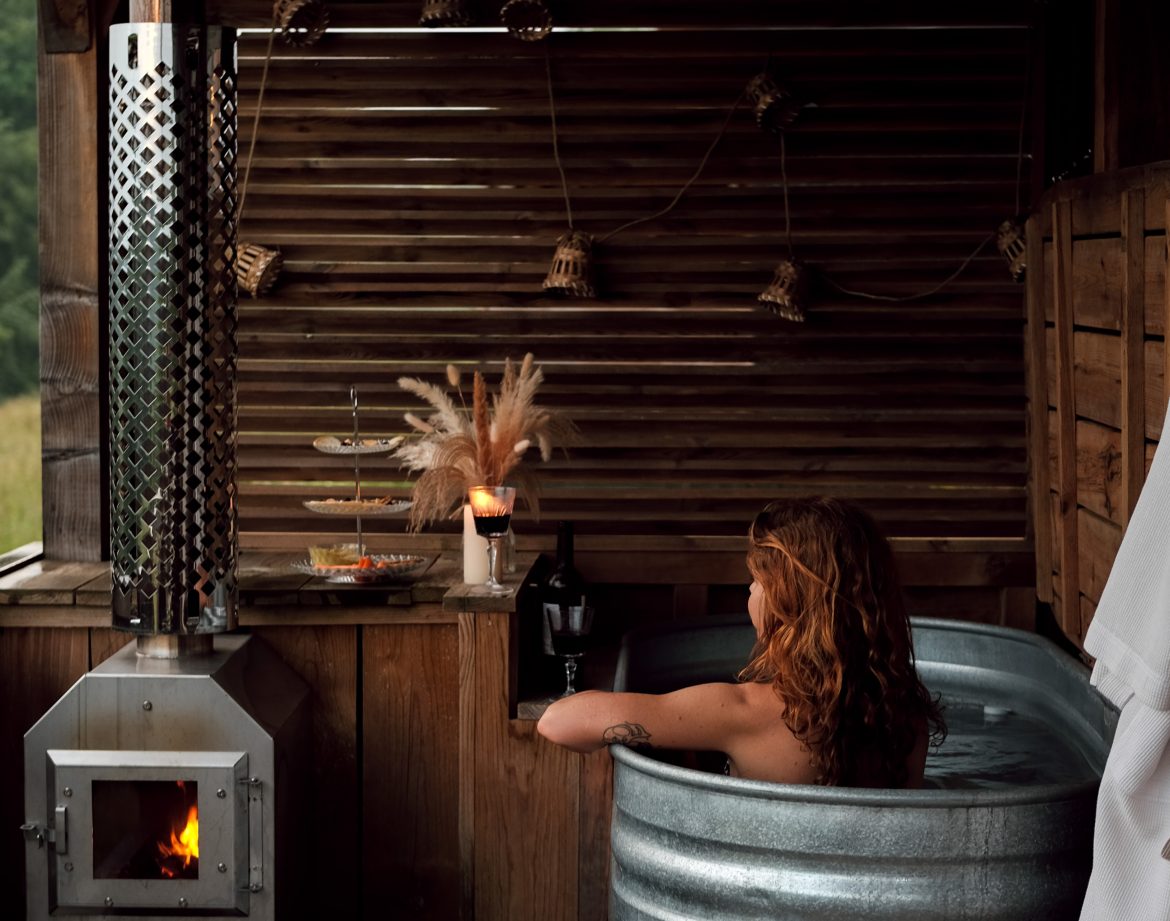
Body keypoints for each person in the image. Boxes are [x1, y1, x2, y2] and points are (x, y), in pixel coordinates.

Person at [537, 497, 946, 787]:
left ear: (786, 600)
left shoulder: (742, 711)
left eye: (757, 581)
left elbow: (558, 722)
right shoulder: (906, 718)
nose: (749, 592)